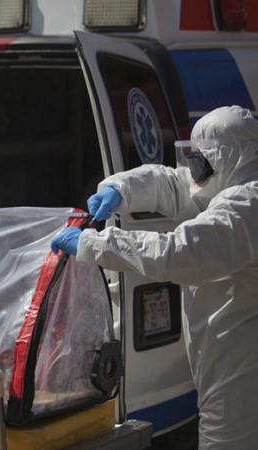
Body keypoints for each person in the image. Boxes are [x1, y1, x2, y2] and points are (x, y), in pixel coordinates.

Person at [50, 105, 258, 448]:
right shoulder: (231, 183)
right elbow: (174, 183)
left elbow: (176, 252)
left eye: (201, 162)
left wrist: (94, 244)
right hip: (228, 360)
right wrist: (121, 188)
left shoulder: (245, 209)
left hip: (242, 374)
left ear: (226, 158)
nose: (193, 172)